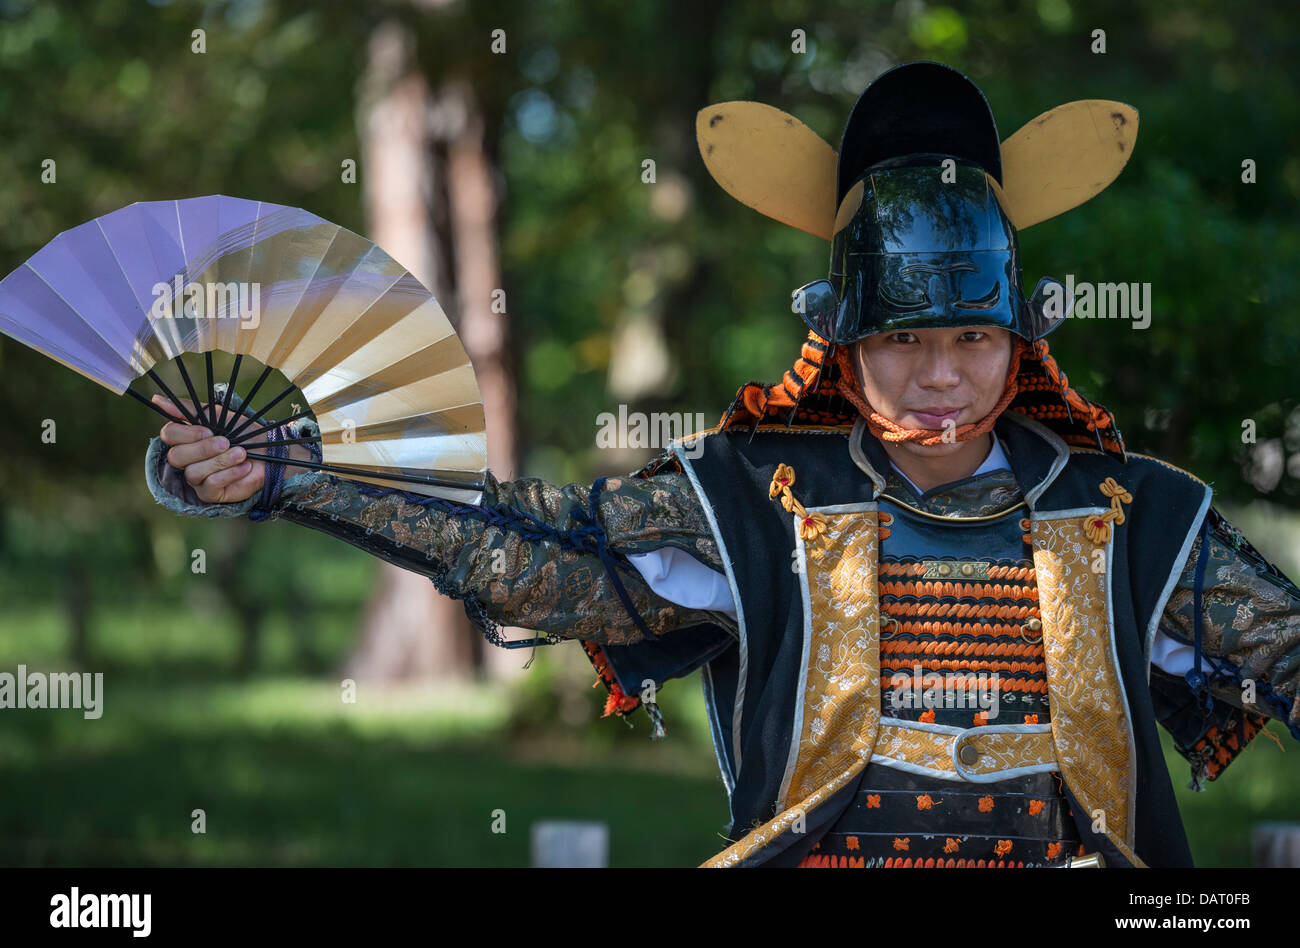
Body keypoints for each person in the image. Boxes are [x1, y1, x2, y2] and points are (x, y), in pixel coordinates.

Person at [144, 62, 1299, 868]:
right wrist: (290, 478)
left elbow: (1288, 651)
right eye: (902, 340)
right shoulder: (754, 505)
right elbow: (539, 550)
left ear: (1019, 340)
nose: (940, 375)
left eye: (971, 339)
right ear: (842, 344)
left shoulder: (1133, 516)